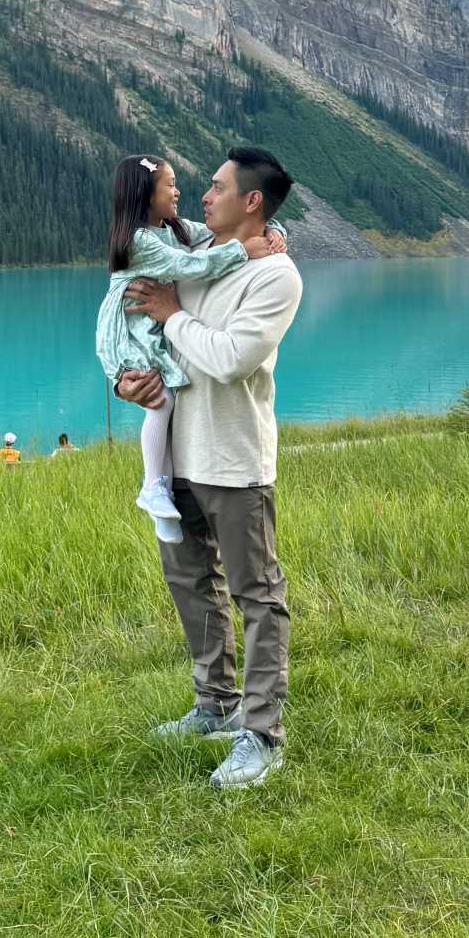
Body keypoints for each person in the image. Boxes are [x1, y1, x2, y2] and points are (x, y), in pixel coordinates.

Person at [117, 146, 302, 791]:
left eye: (217, 187)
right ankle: (214, 705)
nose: (202, 195)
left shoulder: (276, 277)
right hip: (175, 459)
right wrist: (126, 383)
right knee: (191, 584)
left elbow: (227, 359)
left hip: (233, 460)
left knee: (257, 595)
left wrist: (173, 314)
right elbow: (137, 331)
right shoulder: (192, 254)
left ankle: (261, 733)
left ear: (252, 201)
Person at [95, 155, 281, 543]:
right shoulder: (141, 241)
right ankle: (153, 487)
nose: (185, 192)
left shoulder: (176, 229)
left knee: (163, 399)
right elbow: (191, 266)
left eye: (217, 187)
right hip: (132, 325)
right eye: (171, 185)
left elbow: (211, 241)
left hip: (153, 329)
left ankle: (157, 493)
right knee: (161, 400)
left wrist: (274, 229)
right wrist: (246, 251)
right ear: (147, 195)